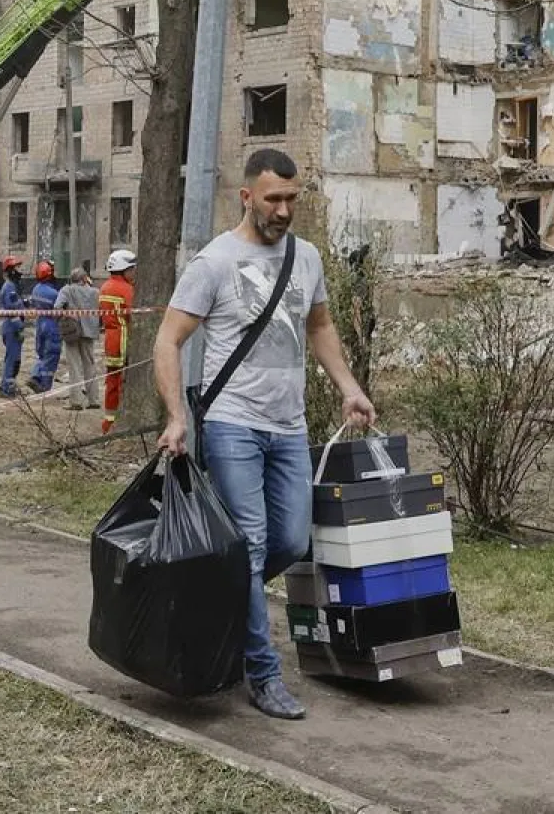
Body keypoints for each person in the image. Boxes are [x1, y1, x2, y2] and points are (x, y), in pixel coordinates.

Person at [153, 149, 376, 721]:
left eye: (292, 199)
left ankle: (223, 601)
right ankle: (262, 671)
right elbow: (167, 341)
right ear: (246, 197)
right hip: (232, 423)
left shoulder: (306, 258)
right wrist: (178, 417)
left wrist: (349, 388)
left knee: (292, 541)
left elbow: (320, 326)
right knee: (251, 545)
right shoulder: (215, 262)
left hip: (289, 424)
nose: (283, 210)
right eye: (272, 199)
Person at [99, 248, 136, 434]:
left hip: (110, 338)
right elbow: (133, 315)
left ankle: (109, 419)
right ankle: (115, 419)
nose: (133, 273)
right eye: (132, 269)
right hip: (123, 338)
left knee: (111, 380)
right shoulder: (126, 289)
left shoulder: (105, 286)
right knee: (123, 379)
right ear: (124, 269)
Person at [53, 267, 101, 410]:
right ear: (85, 278)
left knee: (74, 367)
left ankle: (76, 401)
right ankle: (94, 400)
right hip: (90, 332)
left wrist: (68, 314)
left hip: (72, 332)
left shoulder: (66, 290)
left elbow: (57, 308)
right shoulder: (95, 292)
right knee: (90, 365)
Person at [26, 259, 62, 394]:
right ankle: (45, 386)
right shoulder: (54, 294)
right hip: (52, 325)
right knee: (51, 355)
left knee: (41, 354)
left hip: (40, 324)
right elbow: (61, 309)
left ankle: (35, 375)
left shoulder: (36, 289)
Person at [0, 256, 27, 397]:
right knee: (12, 360)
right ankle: (7, 389)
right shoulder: (9, 288)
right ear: (11, 270)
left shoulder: (12, 287)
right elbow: (12, 310)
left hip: (12, 328)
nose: (20, 271)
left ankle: (9, 385)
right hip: (11, 329)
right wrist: (19, 327)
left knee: (14, 360)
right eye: (17, 268)